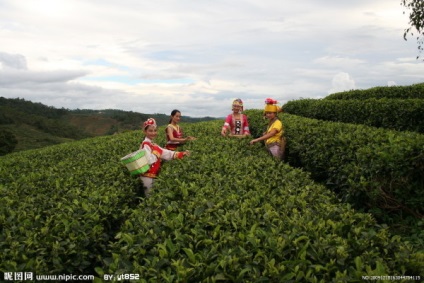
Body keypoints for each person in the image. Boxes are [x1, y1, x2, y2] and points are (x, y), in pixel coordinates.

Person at [140, 118, 190, 196]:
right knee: (149, 197)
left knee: (154, 196)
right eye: (150, 131)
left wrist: (181, 154)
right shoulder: (145, 144)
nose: (153, 133)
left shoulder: (153, 144)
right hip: (147, 176)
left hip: (154, 174)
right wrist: (158, 153)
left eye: (155, 130)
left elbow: (166, 153)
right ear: (145, 132)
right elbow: (149, 160)